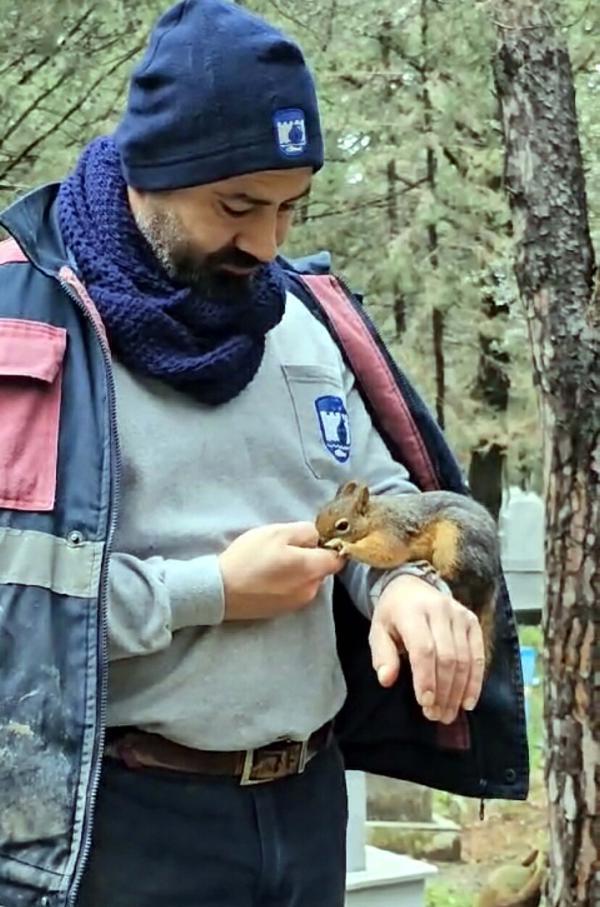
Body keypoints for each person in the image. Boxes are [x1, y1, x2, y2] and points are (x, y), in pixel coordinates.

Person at [0, 2, 527, 906]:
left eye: (290, 207)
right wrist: (210, 592)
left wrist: (398, 583)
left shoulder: (307, 319)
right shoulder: (25, 321)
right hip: (119, 823)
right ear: (148, 169)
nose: (267, 244)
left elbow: (377, 490)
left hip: (310, 804)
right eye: (238, 206)